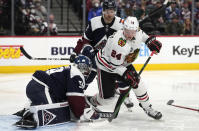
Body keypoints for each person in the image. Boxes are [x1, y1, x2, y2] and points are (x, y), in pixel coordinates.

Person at [93, 16, 163, 120]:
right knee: (106, 100)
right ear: (123, 29)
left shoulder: (137, 31)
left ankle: (148, 108)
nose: (130, 34)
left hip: (123, 63)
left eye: (133, 31)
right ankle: (91, 101)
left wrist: (149, 41)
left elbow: (142, 35)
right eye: (127, 31)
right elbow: (114, 66)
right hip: (106, 67)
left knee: (137, 83)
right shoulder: (119, 44)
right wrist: (125, 74)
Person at [70, 0, 134, 111]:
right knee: (90, 73)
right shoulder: (94, 22)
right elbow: (84, 40)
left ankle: (125, 95)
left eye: (113, 11)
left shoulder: (121, 23)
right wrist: (75, 52)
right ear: (103, 11)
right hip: (96, 56)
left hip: (112, 56)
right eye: (108, 11)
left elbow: (129, 39)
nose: (110, 14)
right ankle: (77, 95)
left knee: (122, 72)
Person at [13, 55, 100, 129]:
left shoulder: (70, 70)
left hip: (36, 86)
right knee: (53, 111)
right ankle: (31, 117)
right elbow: (74, 98)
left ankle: (27, 109)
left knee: (59, 103)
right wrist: (82, 114)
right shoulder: (76, 74)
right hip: (41, 87)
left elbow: (68, 95)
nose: (86, 71)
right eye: (85, 68)